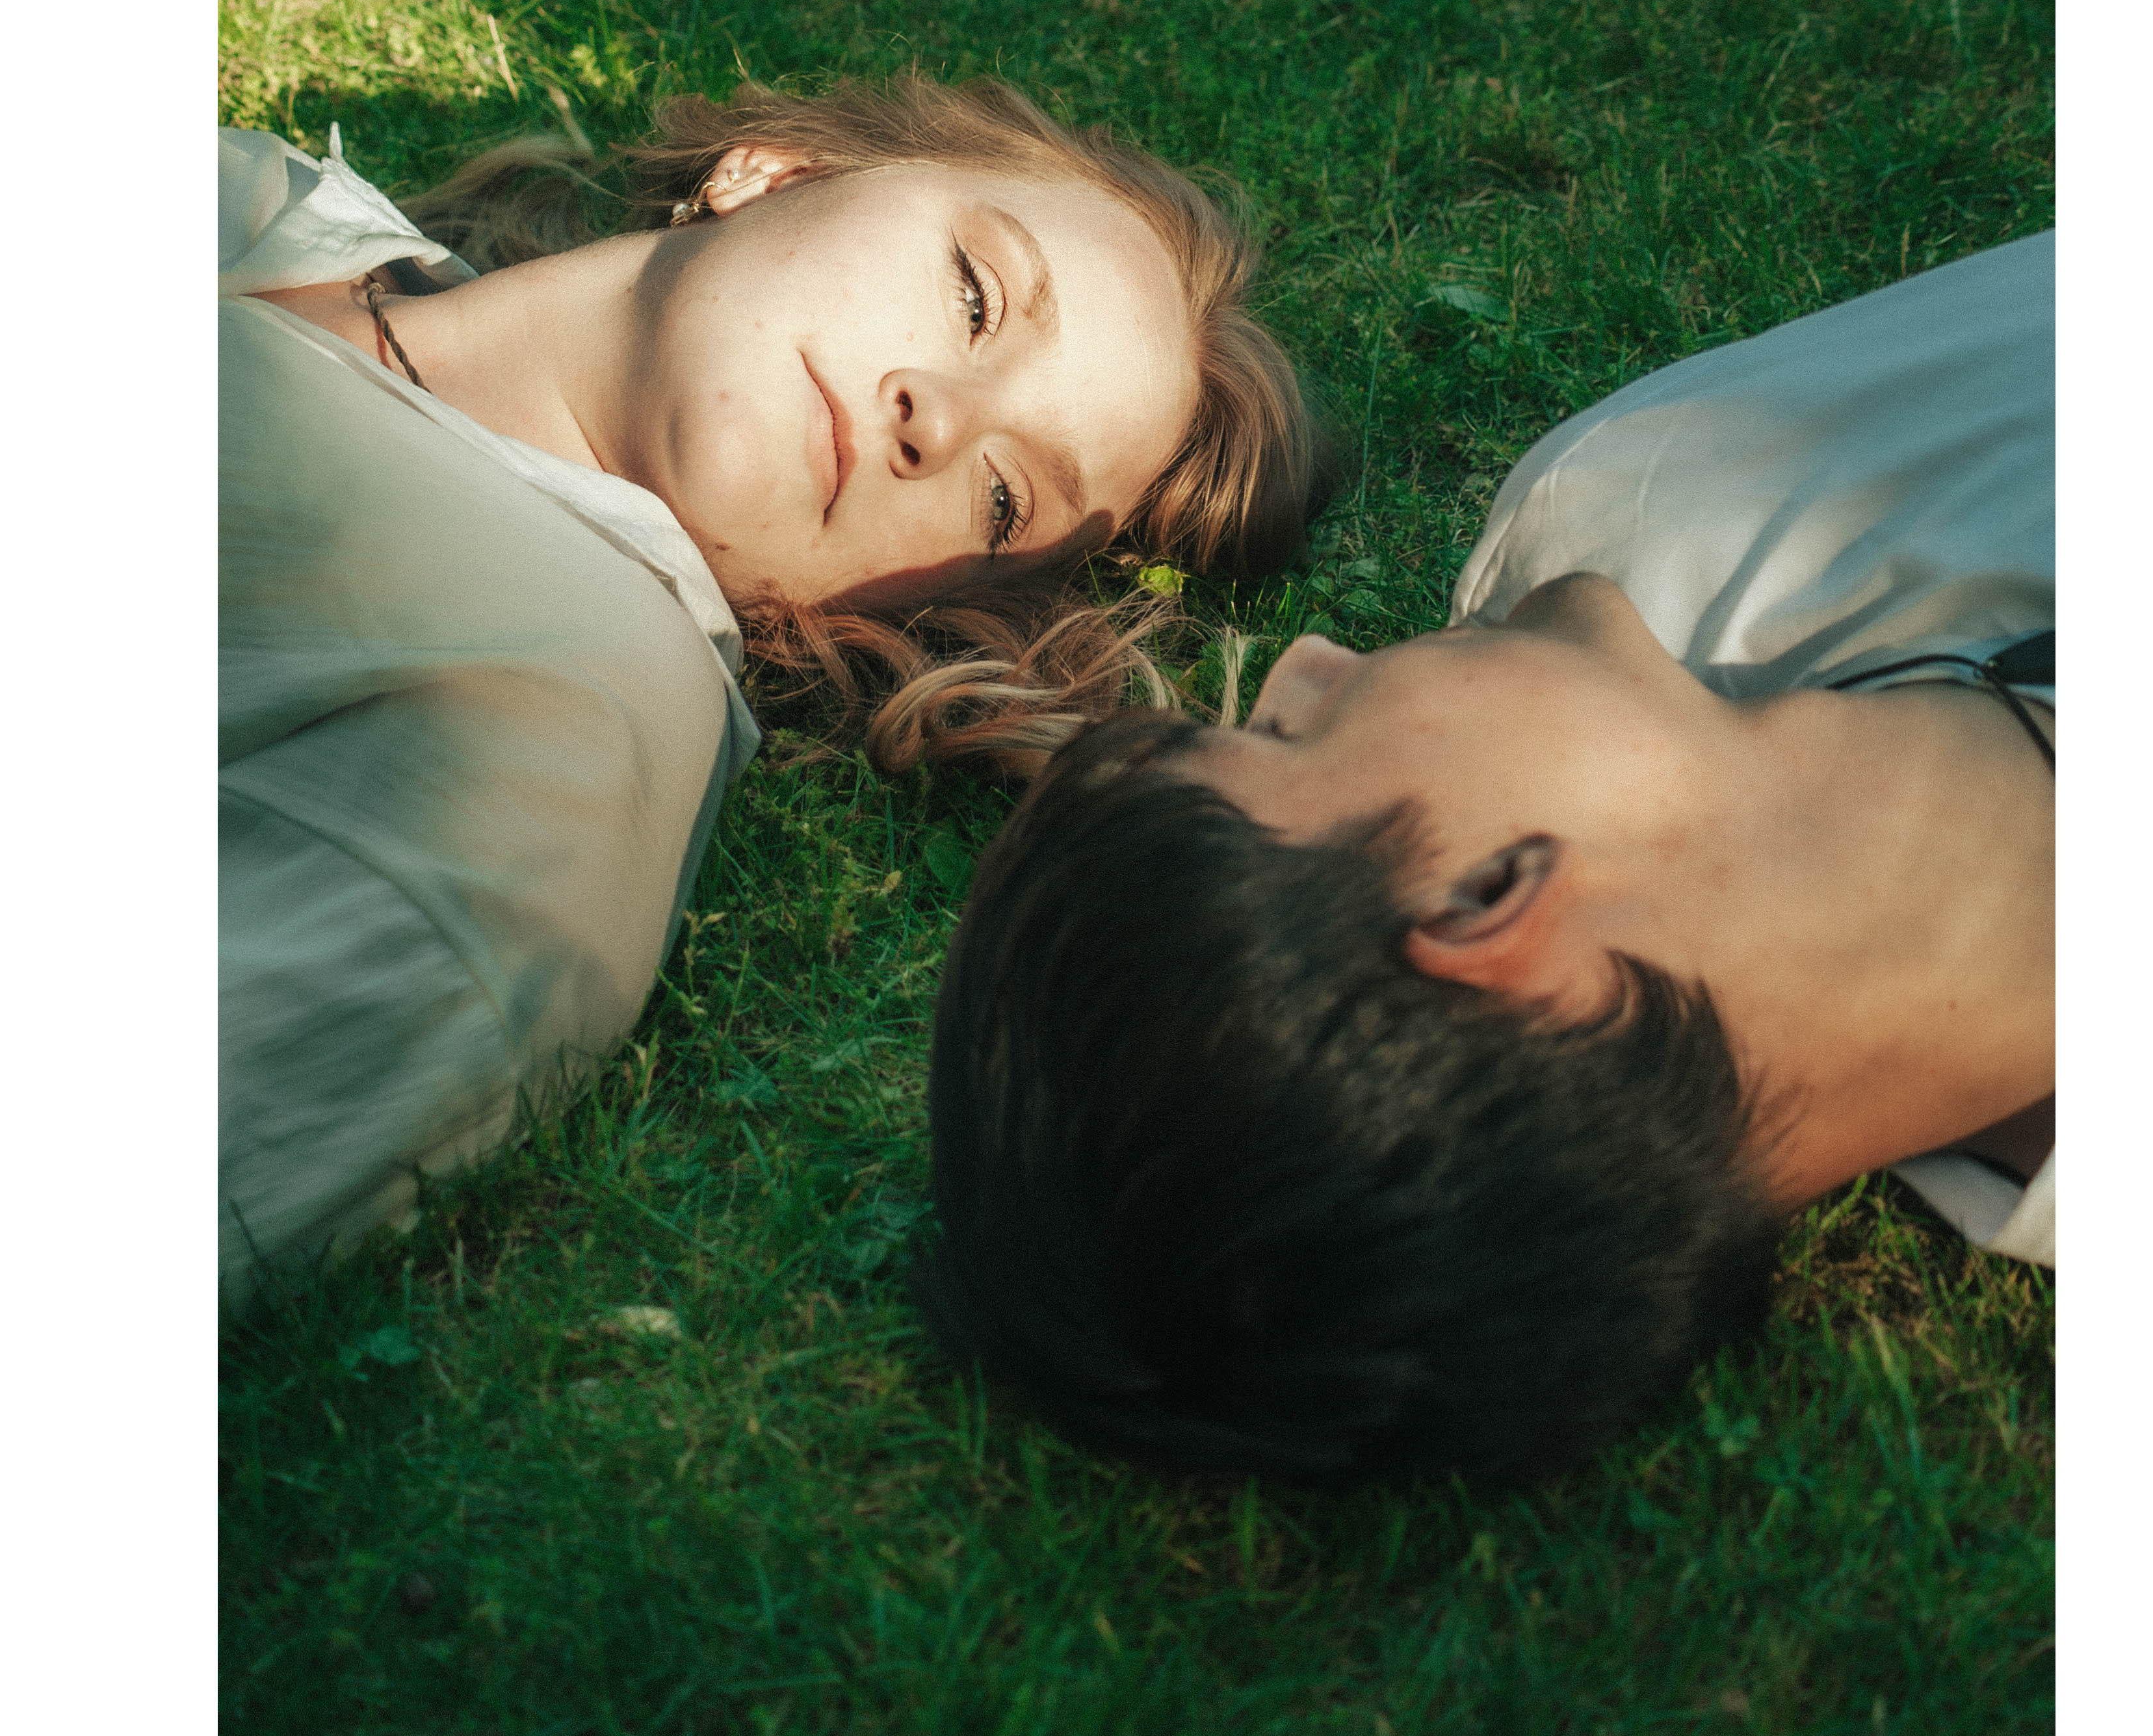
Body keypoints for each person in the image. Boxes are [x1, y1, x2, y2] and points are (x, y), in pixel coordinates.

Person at [921, 232, 2052, 1488]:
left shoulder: (1655, 513)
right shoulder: (1688, 513)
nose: (1308, 659)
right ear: (1484, 899)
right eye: (1286, 734)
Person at [222, 73, 1327, 1301]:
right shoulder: (271, 198)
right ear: (777, 170)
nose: (939, 421)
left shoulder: (552, 744)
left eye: (1004, 500)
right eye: (976, 296)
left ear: (929, 598)